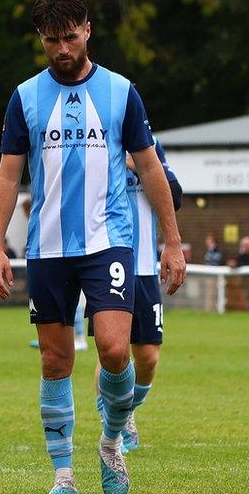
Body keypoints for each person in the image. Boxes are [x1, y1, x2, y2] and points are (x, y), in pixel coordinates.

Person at [0, 0, 185, 494]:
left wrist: (172, 240)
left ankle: (111, 444)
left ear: (88, 31)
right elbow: (8, 177)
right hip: (48, 246)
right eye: (52, 40)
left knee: (117, 350)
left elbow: (150, 167)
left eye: (70, 38)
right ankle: (64, 476)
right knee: (55, 361)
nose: (62, 50)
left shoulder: (121, 91)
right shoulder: (25, 97)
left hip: (108, 240)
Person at [90, 140, 182, 455]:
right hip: (106, 261)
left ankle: (125, 410)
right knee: (111, 350)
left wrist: (138, 165)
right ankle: (113, 427)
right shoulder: (96, 142)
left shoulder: (151, 147)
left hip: (144, 267)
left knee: (149, 356)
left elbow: (176, 195)